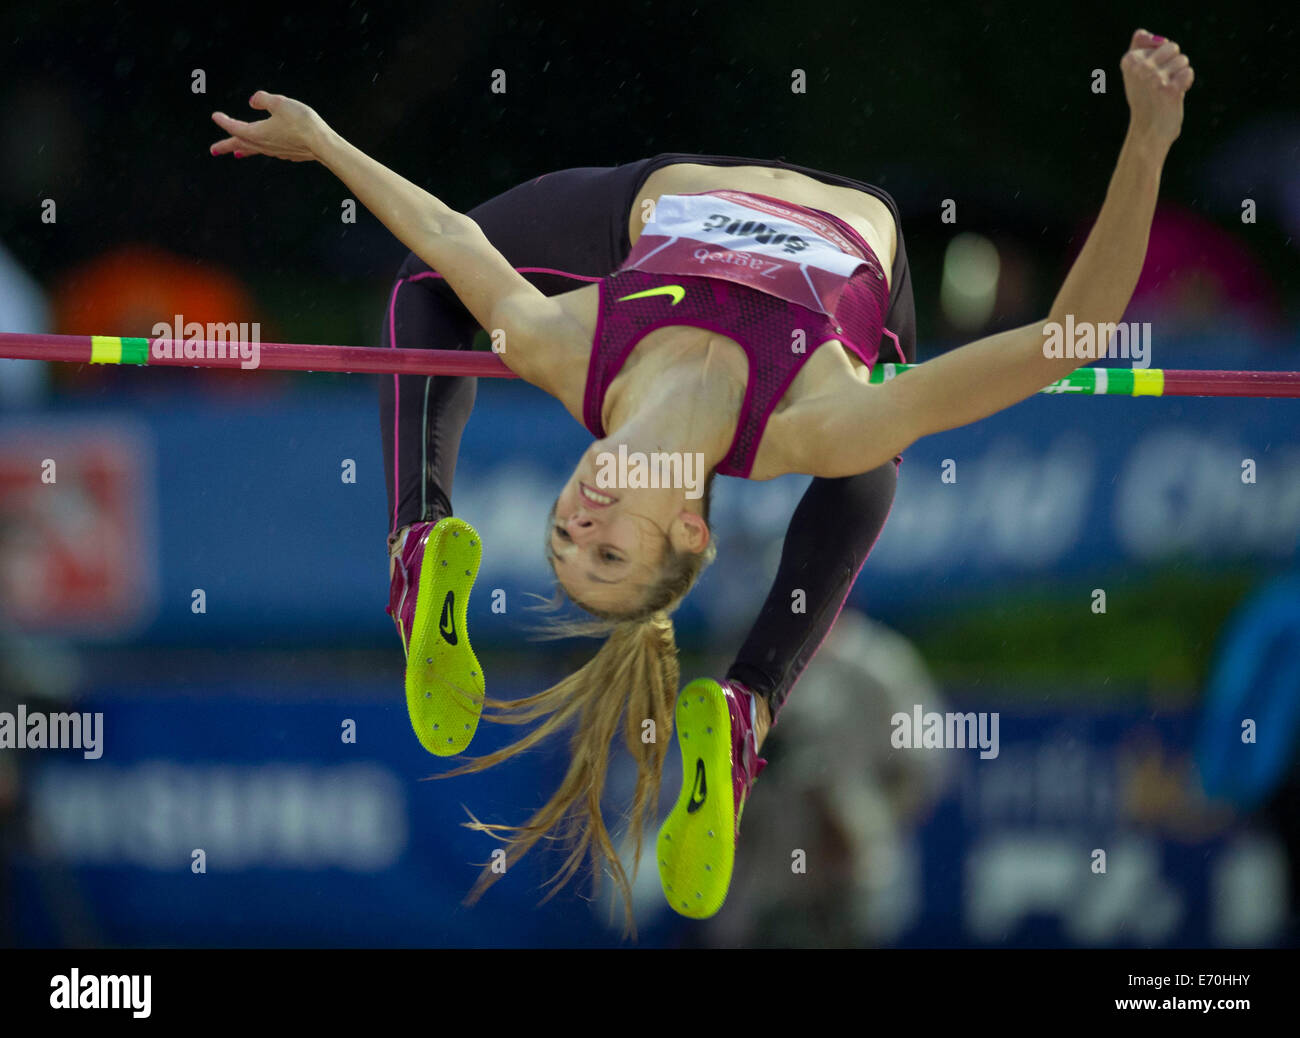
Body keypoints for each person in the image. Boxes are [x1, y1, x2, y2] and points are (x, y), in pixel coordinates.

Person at [210, 28, 1196, 928]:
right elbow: (1063, 344)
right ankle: (748, 708)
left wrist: (327, 142)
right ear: (690, 527)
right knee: (866, 465)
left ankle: (419, 540)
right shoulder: (816, 418)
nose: (581, 516)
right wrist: (1145, 145)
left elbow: (450, 242)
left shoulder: (565, 348)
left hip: (660, 194)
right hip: (856, 233)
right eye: (608, 548)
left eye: (565, 534)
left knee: (425, 283)